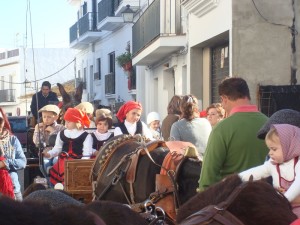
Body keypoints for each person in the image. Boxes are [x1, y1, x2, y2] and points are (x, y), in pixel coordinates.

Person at [198, 77, 269, 192]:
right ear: (247, 95)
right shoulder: (269, 123)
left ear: (224, 98)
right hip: (267, 199)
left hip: (233, 202)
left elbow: (207, 177)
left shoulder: (221, 129)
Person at [239, 124, 300, 217]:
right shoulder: (272, 164)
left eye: (274, 149)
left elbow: (298, 183)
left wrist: (284, 199)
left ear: (289, 146)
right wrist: (234, 179)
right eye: (269, 149)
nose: (270, 153)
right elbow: (255, 172)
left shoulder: (298, 162)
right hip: (282, 209)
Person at [43, 107, 93, 186]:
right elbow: (57, 149)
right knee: (57, 169)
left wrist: (77, 166)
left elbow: (87, 154)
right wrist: (49, 154)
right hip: (63, 162)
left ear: (77, 122)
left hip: (77, 164)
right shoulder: (62, 133)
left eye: (69, 122)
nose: (66, 124)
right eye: (65, 121)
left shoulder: (86, 136)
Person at [0, 111, 27, 201]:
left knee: (20, 214)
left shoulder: (12, 140)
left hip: (13, 188)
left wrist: (5, 163)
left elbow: (22, 162)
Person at [33, 104, 65, 177]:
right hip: (45, 153)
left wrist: (53, 132)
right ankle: (49, 181)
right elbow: (36, 142)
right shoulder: (41, 128)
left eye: (49, 117)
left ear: (56, 117)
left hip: (58, 154)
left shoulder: (61, 128)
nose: (46, 119)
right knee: (45, 163)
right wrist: (37, 130)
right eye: (44, 117)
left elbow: (62, 142)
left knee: (56, 161)